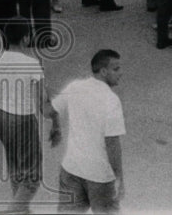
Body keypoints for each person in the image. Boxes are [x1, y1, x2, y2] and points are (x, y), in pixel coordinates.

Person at [0, 17, 55, 212]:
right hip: (23, 120)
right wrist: (56, 123)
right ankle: (14, 211)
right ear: (26, 38)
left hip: (3, 117)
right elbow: (43, 102)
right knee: (32, 178)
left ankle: (21, 209)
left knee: (15, 167)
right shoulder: (32, 63)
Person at [49, 49, 125, 214]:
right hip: (100, 177)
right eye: (116, 69)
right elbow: (112, 143)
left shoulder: (75, 86)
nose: (121, 73)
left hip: (71, 169)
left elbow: (52, 109)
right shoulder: (111, 100)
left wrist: (55, 127)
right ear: (104, 71)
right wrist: (119, 178)